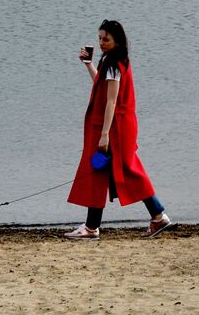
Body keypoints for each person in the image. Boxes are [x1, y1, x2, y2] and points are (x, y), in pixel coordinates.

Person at [64, 19, 173, 239]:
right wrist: (89, 64)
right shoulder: (111, 61)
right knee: (114, 170)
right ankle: (155, 216)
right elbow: (101, 86)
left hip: (115, 128)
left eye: (106, 39)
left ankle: (93, 227)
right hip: (118, 125)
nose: (102, 43)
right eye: (100, 38)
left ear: (117, 41)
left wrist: (104, 135)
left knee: (120, 170)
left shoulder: (114, 63)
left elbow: (111, 101)